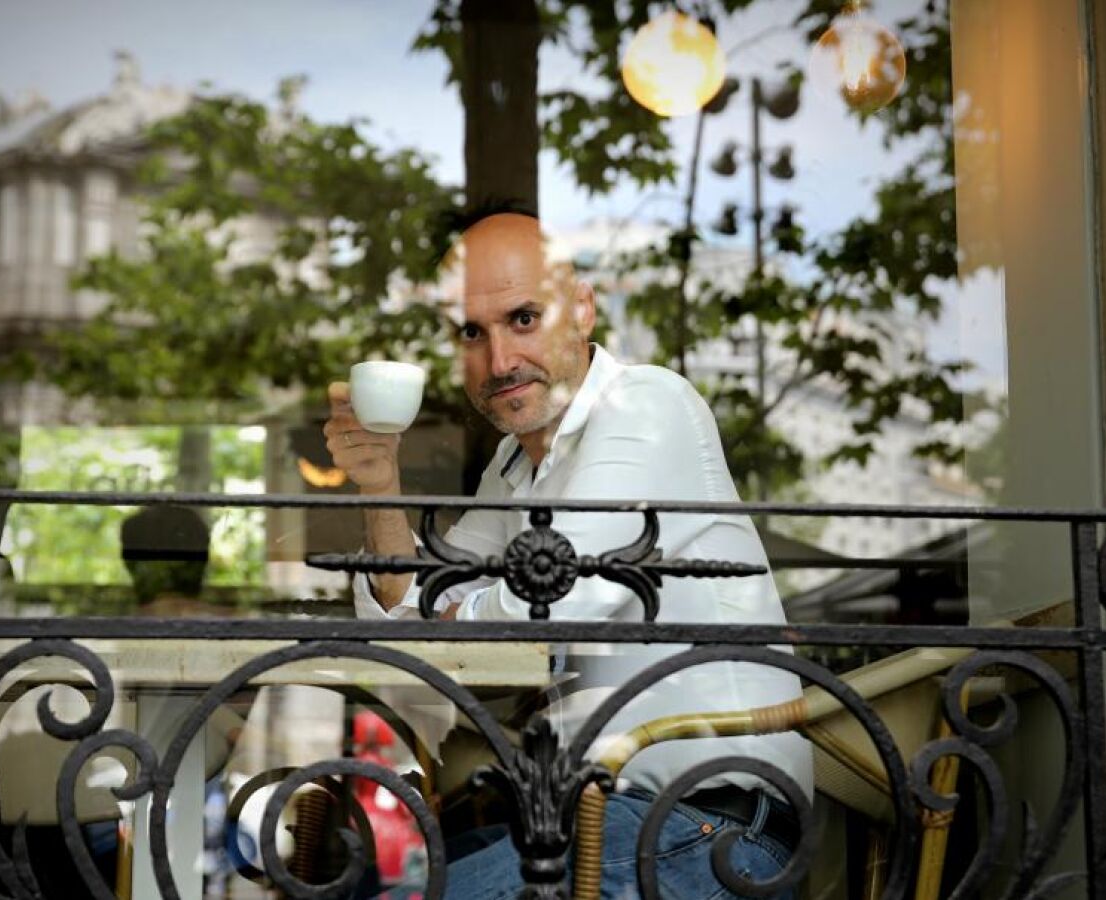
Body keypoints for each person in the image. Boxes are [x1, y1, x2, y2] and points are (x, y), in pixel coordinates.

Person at [324, 210, 811, 898]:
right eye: (471, 333)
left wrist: (460, 617)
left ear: (582, 309)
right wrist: (381, 484)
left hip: (709, 830)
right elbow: (413, 626)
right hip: (589, 823)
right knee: (351, 883)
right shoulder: (512, 466)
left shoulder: (646, 403)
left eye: (522, 319)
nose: (499, 361)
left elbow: (551, 598)